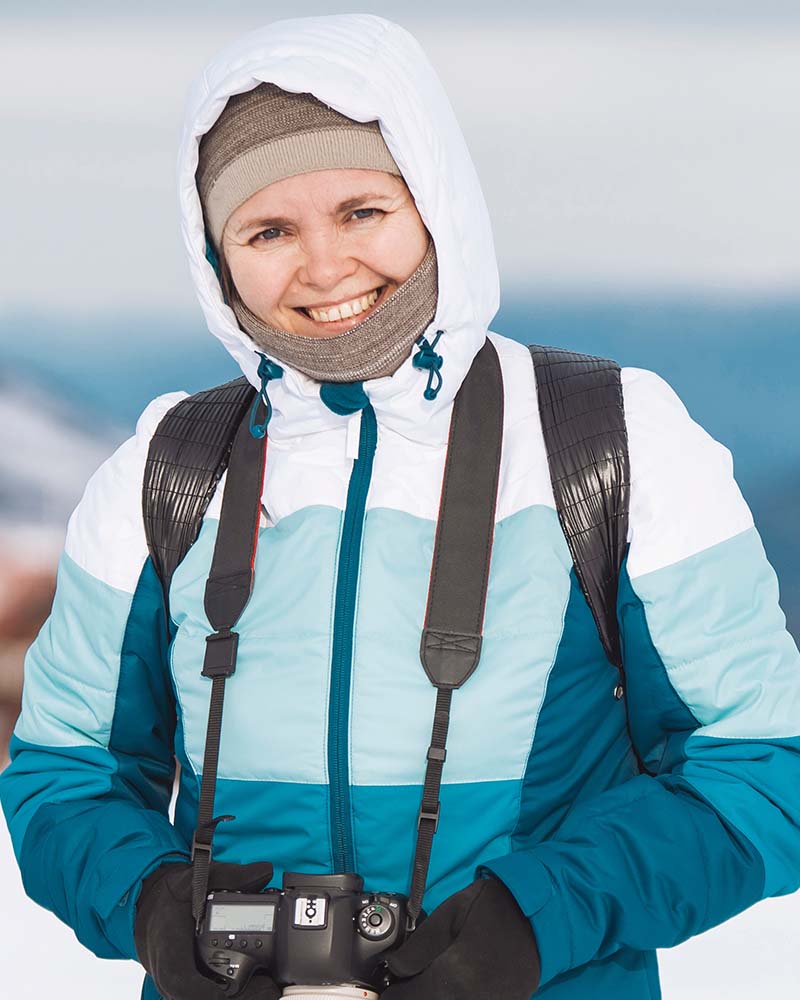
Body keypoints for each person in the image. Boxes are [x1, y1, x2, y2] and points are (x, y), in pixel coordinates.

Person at [2, 12, 799, 1000]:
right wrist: (153, 904)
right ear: (216, 256)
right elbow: (65, 770)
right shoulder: (167, 468)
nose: (324, 266)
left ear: (435, 201)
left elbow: (760, 766)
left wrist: (535, 918)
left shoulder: (609, 439)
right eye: (268, 230)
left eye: (361, 211)